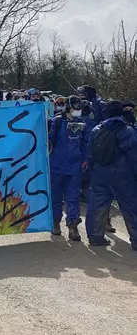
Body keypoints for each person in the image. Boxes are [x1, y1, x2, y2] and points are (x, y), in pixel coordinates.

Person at [85, 101, 137, 249]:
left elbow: (90, 154)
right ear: (121, 113)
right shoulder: (126, 130)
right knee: (130, 206)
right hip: (122, 174)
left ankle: (95, 237)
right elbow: (134, 155)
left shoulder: (96, 129)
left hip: (99, 173)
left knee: (96, 205)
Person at [48, 96, 89, 241]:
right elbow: (48, 143)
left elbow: (85, 143)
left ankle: (73, 227)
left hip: (75, 167)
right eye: (75, 108)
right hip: (56, 167)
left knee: (73, 199)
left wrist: (85, 160)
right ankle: (55, 223)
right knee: (56, 198)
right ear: (68, 107)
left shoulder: (81, 123)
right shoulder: (56, 122)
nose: (78, 111)